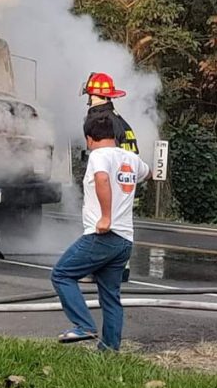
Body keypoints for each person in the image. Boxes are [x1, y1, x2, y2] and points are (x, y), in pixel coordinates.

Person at [51, 116, 149, 351]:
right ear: (115, 136)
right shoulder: (132, 159)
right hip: (124, 240)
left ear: (89, 138)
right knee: (110, 296)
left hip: (103, 235)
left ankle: (83, 325)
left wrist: (106, 217)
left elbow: (102, 178)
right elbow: (148, 173)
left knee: (62, 274)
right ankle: (110, 349)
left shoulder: (98, 156)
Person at [81, 71, 139, 283]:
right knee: (121, 225)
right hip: (127, 178)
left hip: (108, 178)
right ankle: (120, 269)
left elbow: (100, 152)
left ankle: (93, 266)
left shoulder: (98, 118)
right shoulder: (121, 121)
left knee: (97, 220)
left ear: (93, 95)